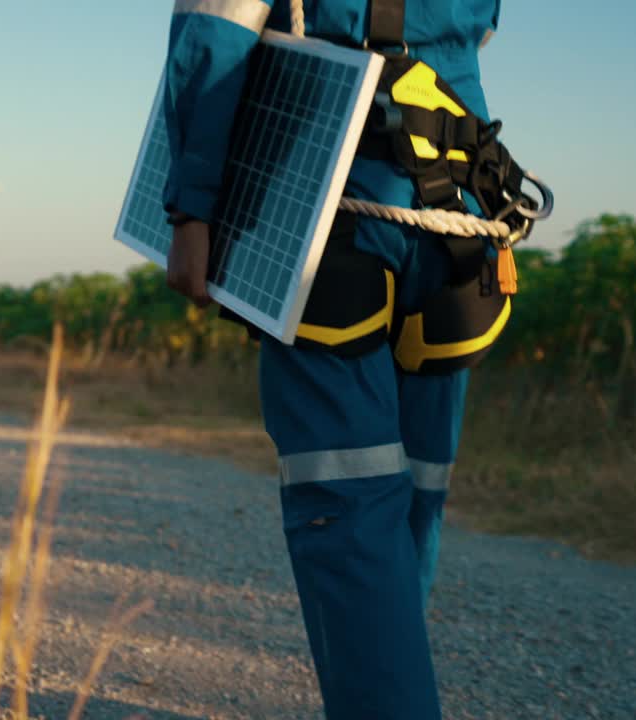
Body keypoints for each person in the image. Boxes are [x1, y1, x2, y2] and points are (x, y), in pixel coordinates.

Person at [159, 1, 503, 717]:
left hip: (326, 214)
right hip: (462, 223)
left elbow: (217, 31)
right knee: (414, 491)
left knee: (348, 509)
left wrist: (193, 208)